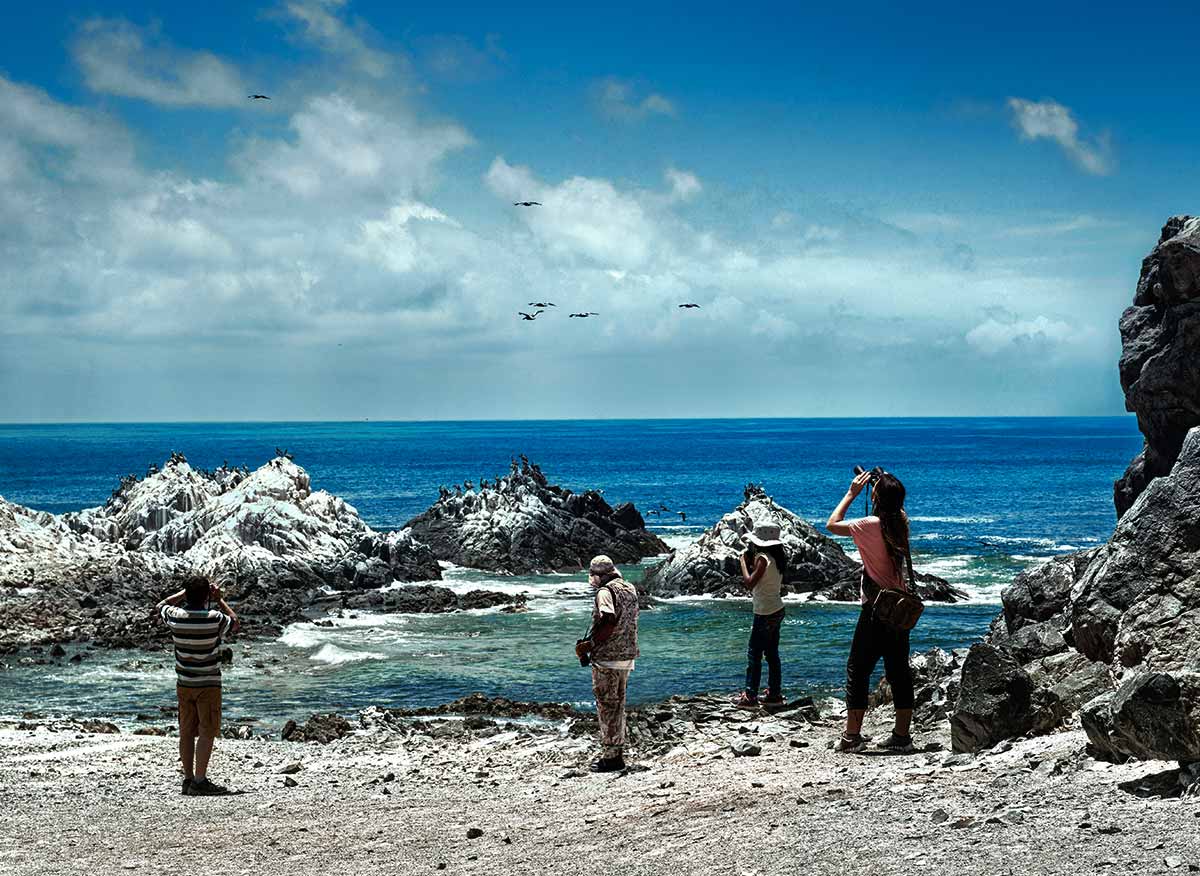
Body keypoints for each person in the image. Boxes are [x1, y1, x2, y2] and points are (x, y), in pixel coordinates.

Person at [826, 468, 916, 753]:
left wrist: (853, 492)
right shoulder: (901, 522)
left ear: (876, 497)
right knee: (899, 671)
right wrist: (884, 480)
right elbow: (893, 505)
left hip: (875, 608)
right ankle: (901, 736)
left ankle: (852, 736)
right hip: (899, 607)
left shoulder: (869, 524)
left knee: (858, 668)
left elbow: (832, 524)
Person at [155, 575, 239, 795]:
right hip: (208, 683)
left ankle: (188, 778)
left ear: (187, 595)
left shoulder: (176, 617)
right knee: (206, 730)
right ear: (206, 596)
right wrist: (219, 599)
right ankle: (200, 782)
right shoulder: (214, 617)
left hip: (184, 683)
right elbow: (234, 621)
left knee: (186, 731)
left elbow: (161, 606)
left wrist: (183, 593)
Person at [574, 555, 640, 773]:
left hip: (608, 657)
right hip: (627, 654)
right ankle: (616, 752)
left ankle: (612, 758)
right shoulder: (629, 588)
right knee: (618, 704)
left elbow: (609, 618)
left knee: (607, 706)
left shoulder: (605, 592)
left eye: (592, 575)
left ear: (598, 575)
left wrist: (590, 645)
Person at [730, 523, 788, 709]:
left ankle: (750, 696)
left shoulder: (762, 558)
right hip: (777, 609)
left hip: (764, 612)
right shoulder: (778, 558)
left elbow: (750, 583)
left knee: (754, 655)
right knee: (772, 654)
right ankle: (774, 694)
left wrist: (742, 563)